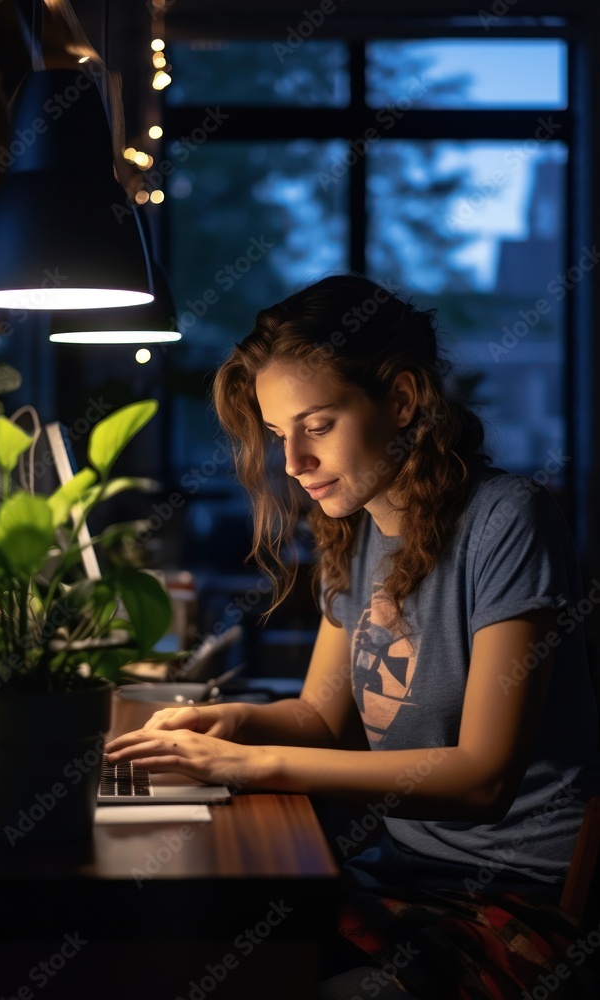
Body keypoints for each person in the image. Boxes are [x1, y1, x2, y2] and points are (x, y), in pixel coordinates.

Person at [106, 273, 600, 999]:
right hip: (404, 871)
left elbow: (482, 778)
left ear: (400, 400)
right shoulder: (357, 530)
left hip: (516, 903)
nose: (292, 462)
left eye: (317, 424)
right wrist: (229, 723)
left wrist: (251, 765)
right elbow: (319, 717)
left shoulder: (506, 521)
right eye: (279, 435)